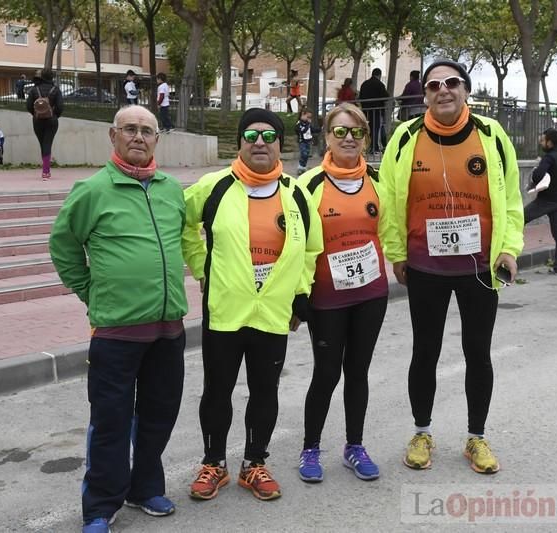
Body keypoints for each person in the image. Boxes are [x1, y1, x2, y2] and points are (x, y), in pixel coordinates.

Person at [379, 59, 524, 475]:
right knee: (425, 351)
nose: (444, 90)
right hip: (425, 266)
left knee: (478, 353)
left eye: (452, 83)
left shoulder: (492, 135)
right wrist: (397, 253)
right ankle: (422, 432)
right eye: (434, 85)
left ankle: (476, 437)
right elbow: (390, 200)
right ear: (424, 94)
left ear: (466, 91)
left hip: (480, 267)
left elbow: (511, 200)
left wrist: (510, 250)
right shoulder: (405, 137)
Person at [49, 106, 187, 533]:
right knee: (111, 420)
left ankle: (144, 488)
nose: (139, 137)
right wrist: (92, 293)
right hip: (116, 332)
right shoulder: (92, 190)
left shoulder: (170, 189)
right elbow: (63, 246)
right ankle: (100, 506)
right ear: (113, 136)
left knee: (158, 415)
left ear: (156, 140)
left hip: (168, 328)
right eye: (130, 129)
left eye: (147, 131)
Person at [183, 108, 322, 502]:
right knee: (217, 390)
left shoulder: (296, 193)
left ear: (281, 143)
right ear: (239, 143)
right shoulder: (215, 186)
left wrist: (300, 294)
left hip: (273, 313)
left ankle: (254, 463)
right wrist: (199, 266)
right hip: (225, 310)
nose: (259, 142)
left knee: (265, 390)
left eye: (268, 135)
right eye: (250, 135)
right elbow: (181, 222)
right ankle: (214, 464)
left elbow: (311, 249)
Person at [296, 103, 389, 483]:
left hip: (371, 293)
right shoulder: (309, 185)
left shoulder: (379, 180)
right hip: (328, 299)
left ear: (365, 137)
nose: (348, 138)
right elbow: (298, 246)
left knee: (358, 372)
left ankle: (355, 446)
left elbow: (389, 230)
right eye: (340, 132)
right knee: (327, 373)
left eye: (356, 132)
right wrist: (299, 297)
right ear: (326, 137)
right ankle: (310, 449)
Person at [524, 128, 557, 275]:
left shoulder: (549, 157)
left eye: (543, 140)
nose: (541, 142)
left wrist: (539, 167)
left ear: (550, 142)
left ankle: (507, 255)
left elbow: (538, 175)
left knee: (519, 219)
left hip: (546, 201)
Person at [26, 69, 63, 181]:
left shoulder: (34, 90)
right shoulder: (55, 90)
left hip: (37, 121)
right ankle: (46, 171)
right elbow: (60, 107)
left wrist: (37, 114)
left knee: (43, 143)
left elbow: (28, 106)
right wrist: (54, 115)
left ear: (41, 76)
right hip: (52, 121)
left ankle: (46, 168)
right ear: (52, 77)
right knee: (47, 143)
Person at [358, 68, 390, 154]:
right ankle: (374, 147)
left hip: (366, 110)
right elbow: (386, 96)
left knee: (367, 129)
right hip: (377, 110)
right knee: (375, 128)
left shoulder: (364, 84)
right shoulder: (380, 84)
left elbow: (360, 97)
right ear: (379, 75)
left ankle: (366, 147)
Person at [294, 107, 316, 175]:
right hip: (302, 141)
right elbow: (302, 131)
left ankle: (303, 167)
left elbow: (312, 130)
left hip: (308, 141)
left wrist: (320, 129)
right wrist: (308, 125)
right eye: (308, 117)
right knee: (304, 154)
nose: (309, 119)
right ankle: (300, 167)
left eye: (310, 117)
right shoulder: (299, 123)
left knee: (307, 155)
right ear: (303, 115)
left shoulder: (307, 124)